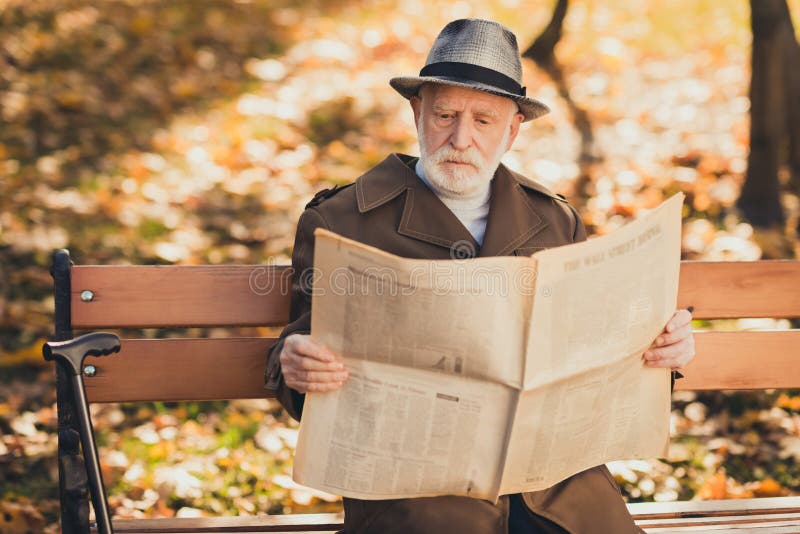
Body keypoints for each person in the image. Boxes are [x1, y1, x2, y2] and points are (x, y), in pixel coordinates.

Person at [264, 18, 695, 534]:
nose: (460, 138)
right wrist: (295, 365)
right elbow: (301, 347)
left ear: (512, 130)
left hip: (556, 490)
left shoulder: (555, 220)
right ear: (417, 111)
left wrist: (658, 351)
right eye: (445, 114)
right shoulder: (342, 220)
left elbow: (596, 354)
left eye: (484, 121)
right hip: (420, 496)